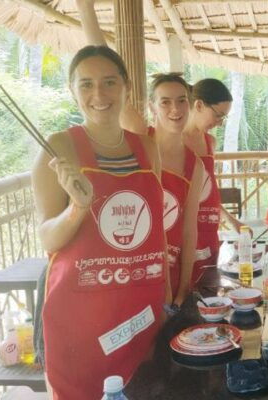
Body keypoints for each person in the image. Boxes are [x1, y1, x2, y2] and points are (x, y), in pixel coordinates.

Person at [33, 45, 170, 399]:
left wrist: (166, 295)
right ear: (72, 90)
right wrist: (78, 208)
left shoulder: (147, 148)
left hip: (139, 307)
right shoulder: (59, 148)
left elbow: (156, 229)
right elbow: (47, 238)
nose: (99, 94)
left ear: (126, 87)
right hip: (81, 315)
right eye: (86, 84)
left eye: (109, 82)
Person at [77, 0, 205, 306]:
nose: (174, 109)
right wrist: (86, 11)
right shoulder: (139, 138)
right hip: (132, 270)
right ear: (152, 106)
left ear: (190, 105)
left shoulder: (195, 165)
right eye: (165, 102)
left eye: (181, 101)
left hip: (171, 276)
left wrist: (183, 290)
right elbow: (108, 66)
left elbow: (190, 232)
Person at [184, 78, 245, 285]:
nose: (219, 122)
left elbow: (209, 193)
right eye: (218, 115)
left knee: (208, 285)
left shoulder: (210, 142)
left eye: (223, 118)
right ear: (199, 105)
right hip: (183, 232)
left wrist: (231, 220)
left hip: (209, 231)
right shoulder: (171, 141)